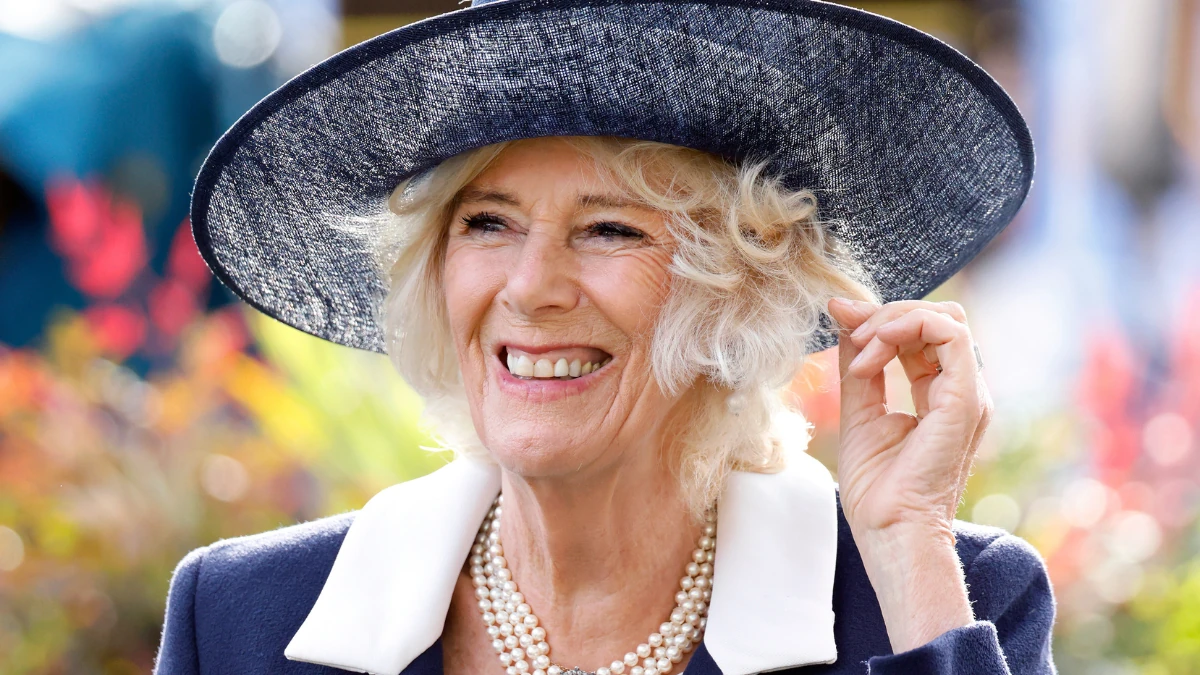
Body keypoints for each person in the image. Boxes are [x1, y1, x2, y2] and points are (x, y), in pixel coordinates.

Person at [155, 1, 1055, 673]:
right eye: (487, 222)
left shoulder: (943, 602)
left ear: (739, 285)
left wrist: (907, 549)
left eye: (609, 229)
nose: (530, 287)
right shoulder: (241, 620)